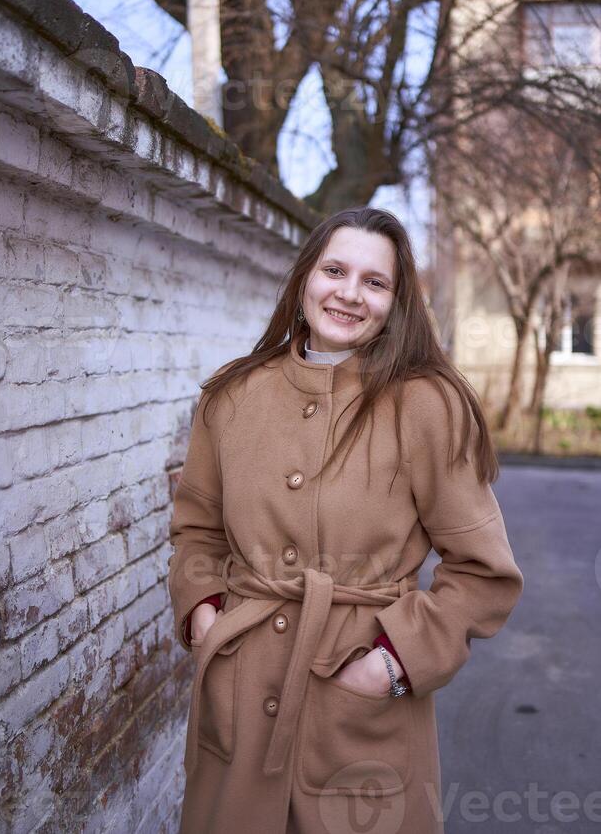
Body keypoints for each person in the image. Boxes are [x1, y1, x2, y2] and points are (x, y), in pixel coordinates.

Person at [167, 206, 524, 834]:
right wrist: (203, 615)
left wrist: (391, 664)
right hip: (241, 696)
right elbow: (197, 528)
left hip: (360, 708)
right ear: (306, 277)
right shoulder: (230, 397)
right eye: (335, 270)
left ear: (397, 299)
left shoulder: (427, 406)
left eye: (375, 281)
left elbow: (483, 574)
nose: (349, 293)